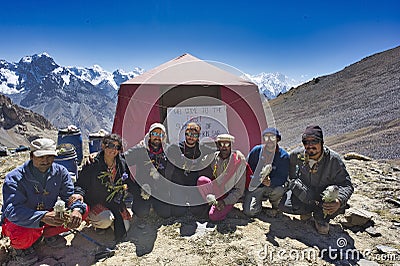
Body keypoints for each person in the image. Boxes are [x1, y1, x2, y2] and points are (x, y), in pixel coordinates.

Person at [1, 138, 87, 265]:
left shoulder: (60, 172)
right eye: (41, 156)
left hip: (48, 215)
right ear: (31, 156)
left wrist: (77, 209)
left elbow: (70, 196)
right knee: (20, 232)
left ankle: (48, 236)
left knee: (82, 211)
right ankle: (21, 249)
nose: (45, 160)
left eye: (49, 156)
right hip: (24, 220)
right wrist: (42, 217)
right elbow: (12, 211)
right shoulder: (15, 178)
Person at [284, 125, 354, 234]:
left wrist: (339, 201)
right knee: (283, 204)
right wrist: (294, 183)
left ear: (322, 142)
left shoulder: (333, 160)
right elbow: (290, 170)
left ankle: (320, 216)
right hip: (306, 194)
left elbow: (347, 185)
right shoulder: (296, 155)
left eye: (314, 141)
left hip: (324, 197)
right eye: (306, 142)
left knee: (326, 223)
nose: (310, 145)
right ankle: (307, 209)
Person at [75, 134, 135, 242]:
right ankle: (96, 223)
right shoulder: (93, 163)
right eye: (111, 145)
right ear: (103, 146)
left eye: (117, 147)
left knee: (126, 227)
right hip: (96, 200)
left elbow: (128, 182)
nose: (114, 150)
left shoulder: (121, 164)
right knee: (106, 220)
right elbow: (81, 184)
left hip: (114, 202)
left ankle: (110, 221)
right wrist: (78, 195)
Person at [124, 123, 173, 218]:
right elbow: (123, 159)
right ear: (150, 135)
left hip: (160, 189)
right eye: (155, 134)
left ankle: (155, 205)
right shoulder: (141, 149)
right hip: (143, 189)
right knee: (141, 213)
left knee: (165, 213)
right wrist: (130, 183)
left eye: (161, 135)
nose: (157, 137)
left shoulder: (166, 150)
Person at [166, 122, 215, 218]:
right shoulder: (176, 147)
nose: (191, 137)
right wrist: (145, 144)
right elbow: (162, 149)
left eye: (194, 135)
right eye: (188, 134)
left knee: (197, 211)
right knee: (178, 213)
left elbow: (217, 149)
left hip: (193, 184)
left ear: (198, 137)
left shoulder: (201, 148)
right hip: (178, 184)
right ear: (185, 134)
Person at [197, 134, 246, 221]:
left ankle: (223, 208)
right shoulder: (214, 157)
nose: (224, 147)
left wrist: (225, 201)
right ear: (218, 145)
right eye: (221, 144)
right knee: (202, 180)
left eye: (227, 144)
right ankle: (212, 204)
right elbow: (201, 162)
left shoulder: (239, 161)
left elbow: (239, 190)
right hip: (217, 190)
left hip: (228, 195)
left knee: (213, 216)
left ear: (231, 145)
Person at [243, 127, 289, 217]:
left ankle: (276, 206)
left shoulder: (283, 156)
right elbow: (247, 170)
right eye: (266, 137)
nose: (269, 140)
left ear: (277, 139)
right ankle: (260, 208)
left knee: (280, 189)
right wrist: (257, 179)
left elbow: (283, 177)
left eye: (272, 137)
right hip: (256, 187)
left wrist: (271, 182)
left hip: (273, 187)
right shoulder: (256, 151)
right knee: (250, 212)